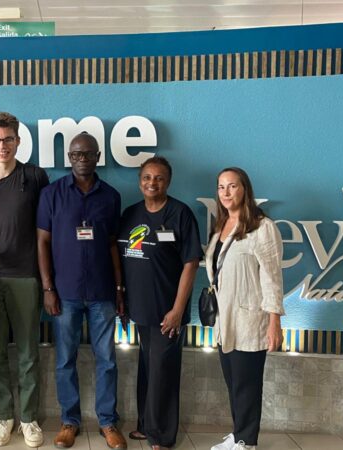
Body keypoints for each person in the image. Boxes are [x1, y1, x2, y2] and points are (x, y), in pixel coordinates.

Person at [36, 132, 128, 450]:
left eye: (87, 154)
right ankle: (69, 422)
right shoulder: (52, 194)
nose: (81, 159)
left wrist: (118, 287)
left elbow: (114, 245)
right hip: (65, 292)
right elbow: (42, 242)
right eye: (76, 155)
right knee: (65, 361)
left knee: (108, 360)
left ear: (98, 156)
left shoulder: (111, 196)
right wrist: (48, 288)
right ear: (69, 158)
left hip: (102, 291)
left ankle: (107, 422)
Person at [0, 112, 49, 448]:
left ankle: (28, 419)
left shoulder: (34, 176)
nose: (1, 145)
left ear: (18, 141)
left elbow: (45, 230)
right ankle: (5, 416)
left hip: (25, 276)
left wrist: (47, 280)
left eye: (8, 139)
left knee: (29, 352)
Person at [117, 156, 202, 450]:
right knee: (148, 366)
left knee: (163, 370)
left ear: (168, 181)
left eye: (159, 178)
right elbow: (122, 257)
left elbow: (191, 264)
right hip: (140, 308)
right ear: (140, 181)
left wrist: (178, 310)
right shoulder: (130, 214)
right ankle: (145, 425)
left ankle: (163, 436)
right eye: (147, 178)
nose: (152, 183)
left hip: (168, 311)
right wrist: (123, 299)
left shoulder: (180, 214)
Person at [205, 167, 284, 450]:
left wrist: (275, 321)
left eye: (232, 186)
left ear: (245, 189)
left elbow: (272, 278)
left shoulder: (263, 227)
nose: (226, 192)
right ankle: (238, 433)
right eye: (221, 187)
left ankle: (247, 441)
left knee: (247, 384)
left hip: (251, 320)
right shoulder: (221, 226)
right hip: (225, 320)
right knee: (234, 382)